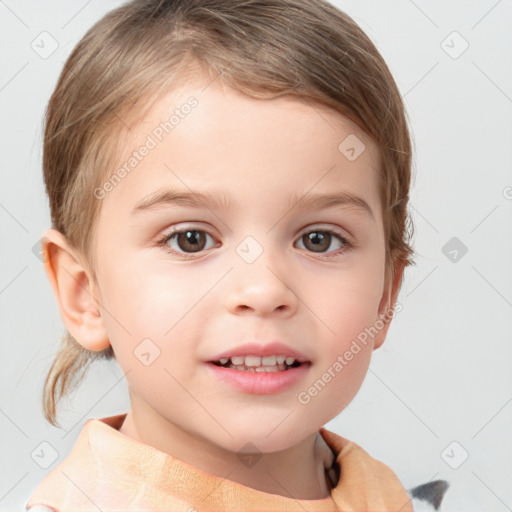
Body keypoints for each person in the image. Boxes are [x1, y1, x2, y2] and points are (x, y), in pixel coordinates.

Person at [25, 0, 422, 510]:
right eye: (190, 238)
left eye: (319, 239)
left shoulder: (383, 495)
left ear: (386, 295)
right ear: (84, 293)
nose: (263, 290)